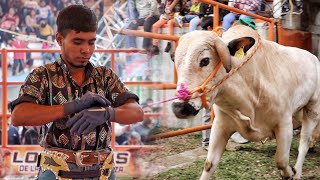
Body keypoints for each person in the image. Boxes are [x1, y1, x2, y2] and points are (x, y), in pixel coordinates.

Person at [10, 5, 143, 180]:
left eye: (92, 42)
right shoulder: (42, 75)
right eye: (78, 42)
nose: (86, 50)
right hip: (57, 172)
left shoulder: (105, 76)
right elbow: (19, 116)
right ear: (59, 39)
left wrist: (108, 114)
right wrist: (72, 106)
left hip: (102, 172)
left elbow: (137, 113)